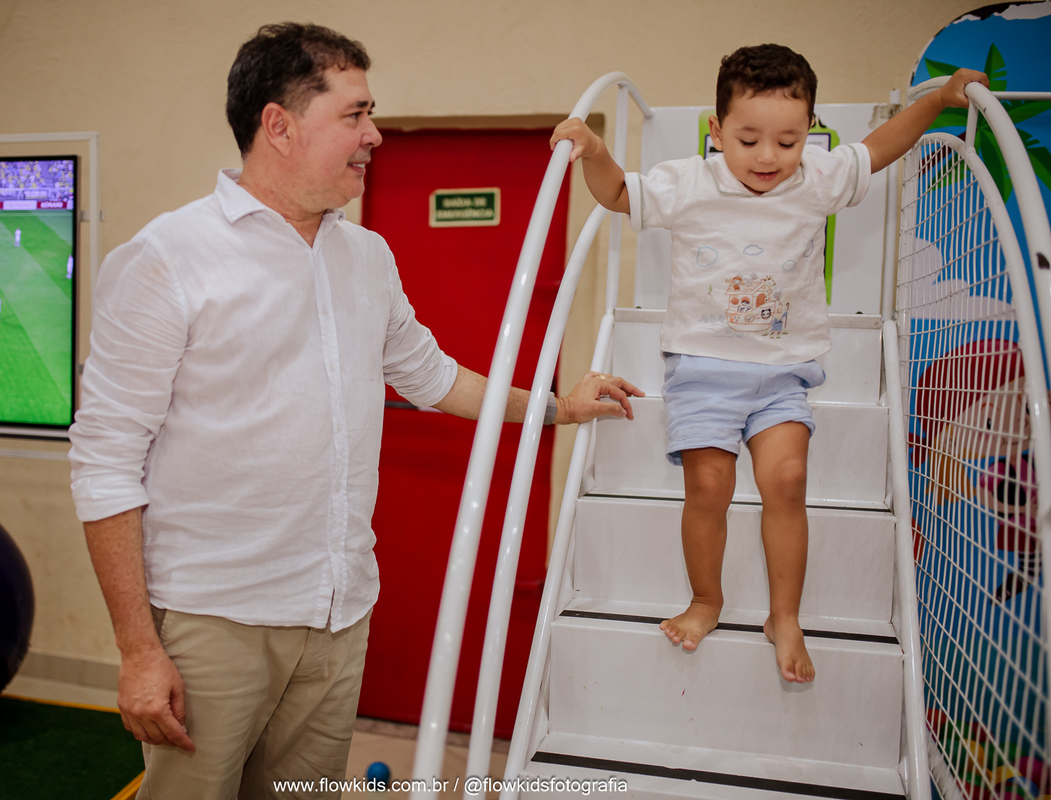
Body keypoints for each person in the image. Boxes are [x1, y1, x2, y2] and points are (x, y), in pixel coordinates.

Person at [69, 22, 642, 799]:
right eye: (355, 114)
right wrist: (139, 650)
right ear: (279, 125)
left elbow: (432, 378)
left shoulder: (365, 256)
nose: (374, 134)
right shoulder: (166, 258)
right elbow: (104, 463)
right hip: (214, 617)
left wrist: (557, 408)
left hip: (339, 614)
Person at [551, 44, 987, 684]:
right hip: (703, 369)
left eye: (787, 141)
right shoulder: (690, 183)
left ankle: (785, 615)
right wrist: (594, 149)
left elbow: (880, 147)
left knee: (787, 481)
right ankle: (707, 600)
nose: (767, 157)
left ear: (809, 131)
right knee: (709, 488)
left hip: (783, 372)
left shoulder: (817, 177)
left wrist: (939, 100)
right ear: (716, 129)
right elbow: (617, 191)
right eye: (749, 139)